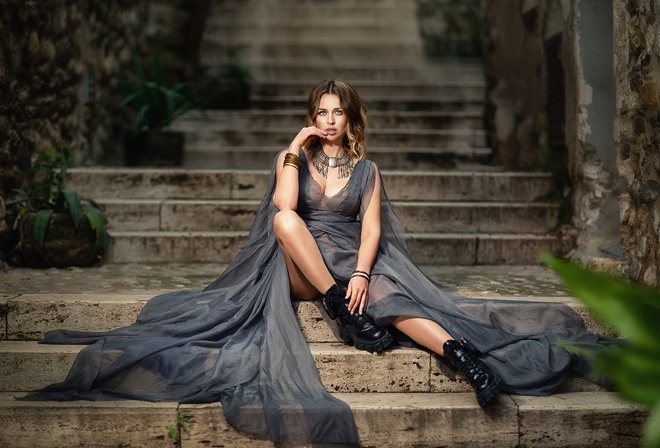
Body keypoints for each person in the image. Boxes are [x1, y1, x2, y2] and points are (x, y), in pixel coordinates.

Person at [21, 80, 614, 447]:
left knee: (391, 296)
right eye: (320, 112)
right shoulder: (294, 160)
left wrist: (360, 273)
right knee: (286, 222)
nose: (329, 120)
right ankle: (340, 306)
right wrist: (293, 144)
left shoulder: (368, 169)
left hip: (347, 265)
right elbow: (284, 213)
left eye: (336, 112)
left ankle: (467, 362)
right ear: (313, 117)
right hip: (302, 269)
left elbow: (373, 229)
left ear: (350, 118)